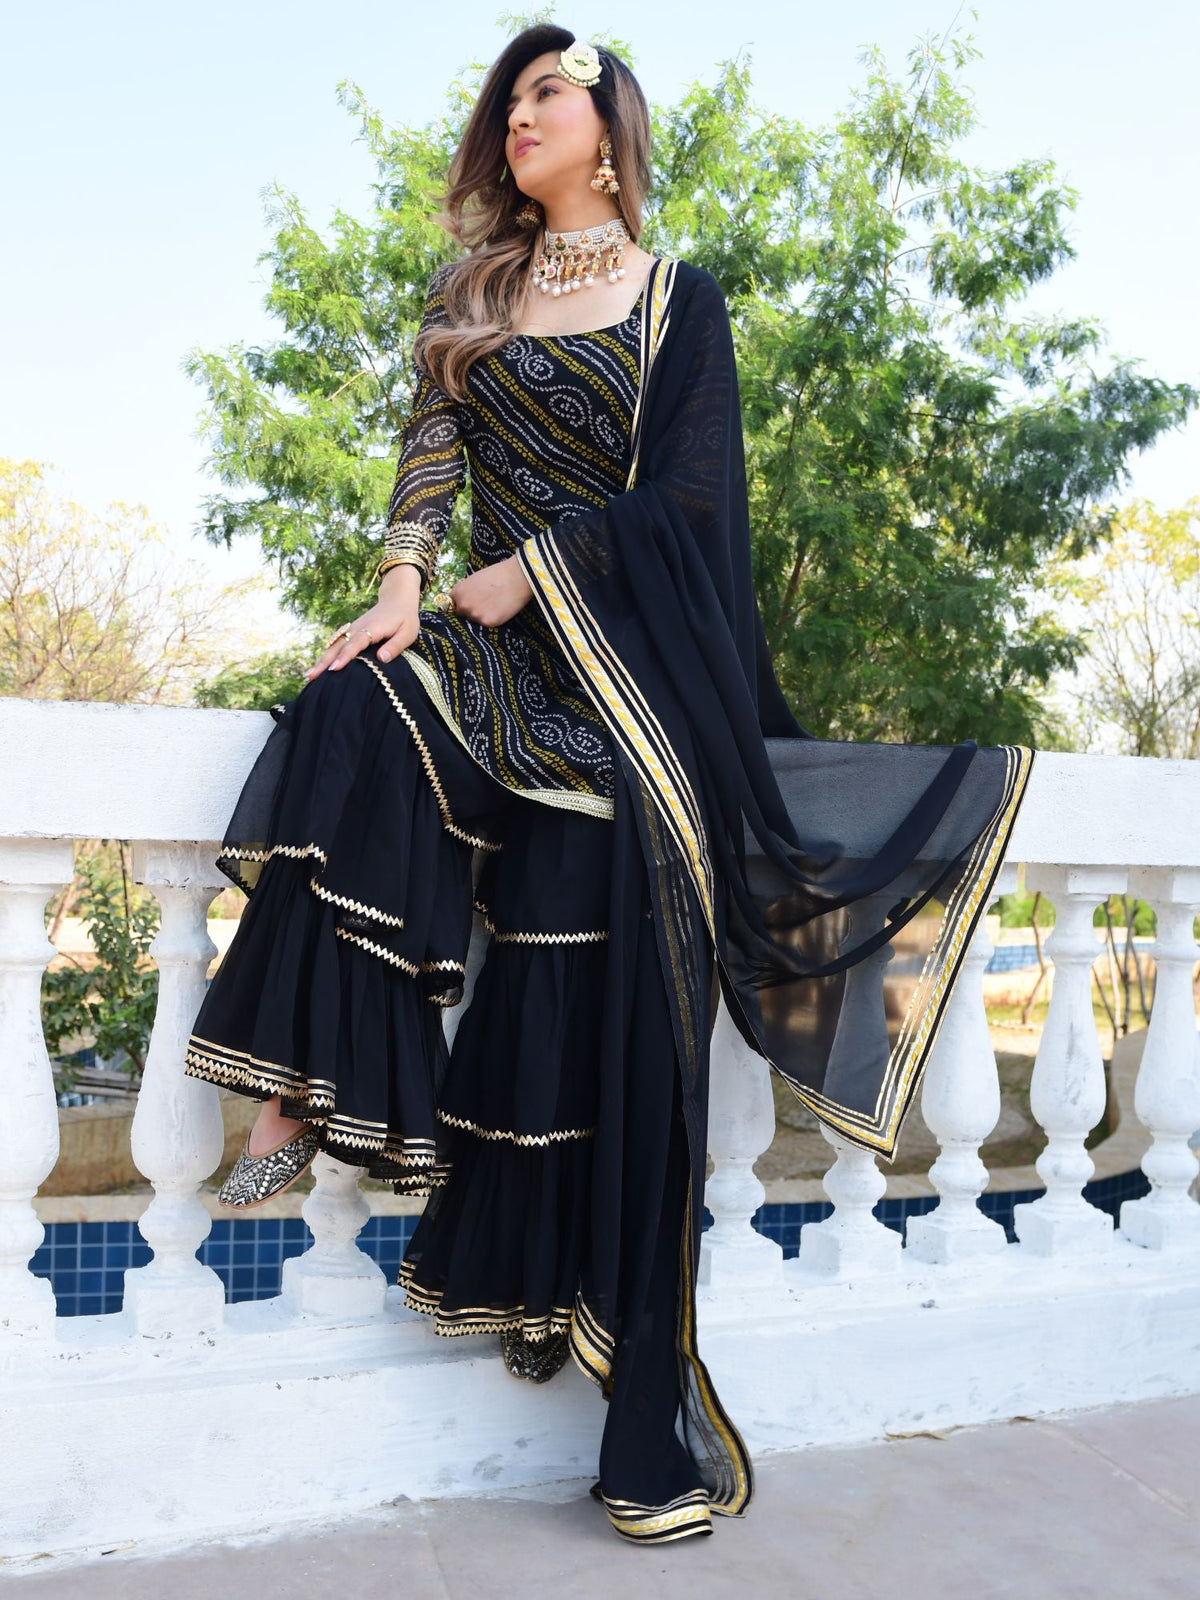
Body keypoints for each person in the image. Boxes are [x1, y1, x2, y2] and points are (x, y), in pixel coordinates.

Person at [184, 25, 1033, 1545]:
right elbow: (430, 450)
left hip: (622, 682)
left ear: (609, 123)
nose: (520, 117)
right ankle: (293, 1104)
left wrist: (537, 570)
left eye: (547, 94)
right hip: (486, 650)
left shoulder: (675, 300)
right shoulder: (471, 292)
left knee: (582, 947)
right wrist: (404, 585)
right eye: (508, 102)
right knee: (347, 707)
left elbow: (692, 503)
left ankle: (598, 1357)